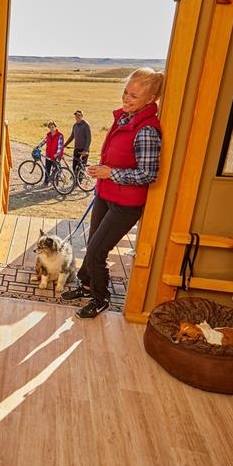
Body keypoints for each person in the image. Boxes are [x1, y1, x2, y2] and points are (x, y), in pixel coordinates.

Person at [62, 68, 165, 318]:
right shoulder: (124, 118)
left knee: (98, 249)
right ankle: (86, 285)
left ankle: (101, 298)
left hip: (125, 204)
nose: (126, 99)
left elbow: (148, 175)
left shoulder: (147, 131)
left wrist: (111, 173)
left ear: (151, 99)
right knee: (91, 243)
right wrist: (101, 171)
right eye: (125, 92)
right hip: (106, 195)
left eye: (134, 96)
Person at [63, 110, 92, 178]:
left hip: (84, 149)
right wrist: (64, 145)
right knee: (74, 165)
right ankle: (75, 178)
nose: (77, 117)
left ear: (82, 116)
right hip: (77, 148)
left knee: (81, 167)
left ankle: (79, 181)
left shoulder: (86, 125)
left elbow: (89, 138)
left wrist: (85, 150)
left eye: (79, 115)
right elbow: (72, 137)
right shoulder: (75, 125)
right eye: (76, 116)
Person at [37, 121, 64, 186]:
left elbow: (60, 147)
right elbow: (44, 142)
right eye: (50, 127)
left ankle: (56, 184)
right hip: (48, 155)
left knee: (56, 170)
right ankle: (46, 182)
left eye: (53, 127)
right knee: (47, 169)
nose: (52, 129)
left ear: (55, 127)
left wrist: (57, 154)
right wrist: (37, 147)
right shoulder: (48, 135)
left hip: (56, 156)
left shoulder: (59, 135)